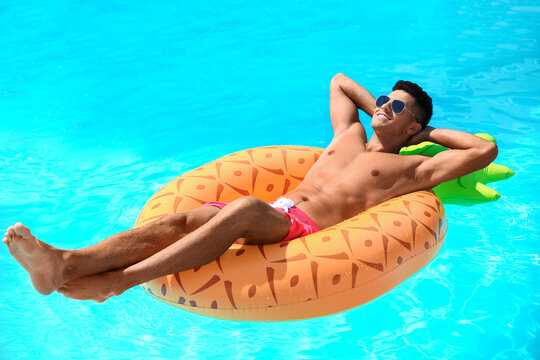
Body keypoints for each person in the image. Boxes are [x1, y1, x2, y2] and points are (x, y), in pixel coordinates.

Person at [3, 74, 498, 303]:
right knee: (183, 219)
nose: (386, 107)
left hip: (301, 229)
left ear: (413, 129)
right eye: (386, 99)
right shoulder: (348, 136)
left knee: (240, 209)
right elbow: (340, 81)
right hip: (276, 211)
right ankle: (65, 262)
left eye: (398, 108)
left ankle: (122, 280)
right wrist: (381, 108)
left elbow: (480, 151)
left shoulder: (403, 172)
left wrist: (426, 134)